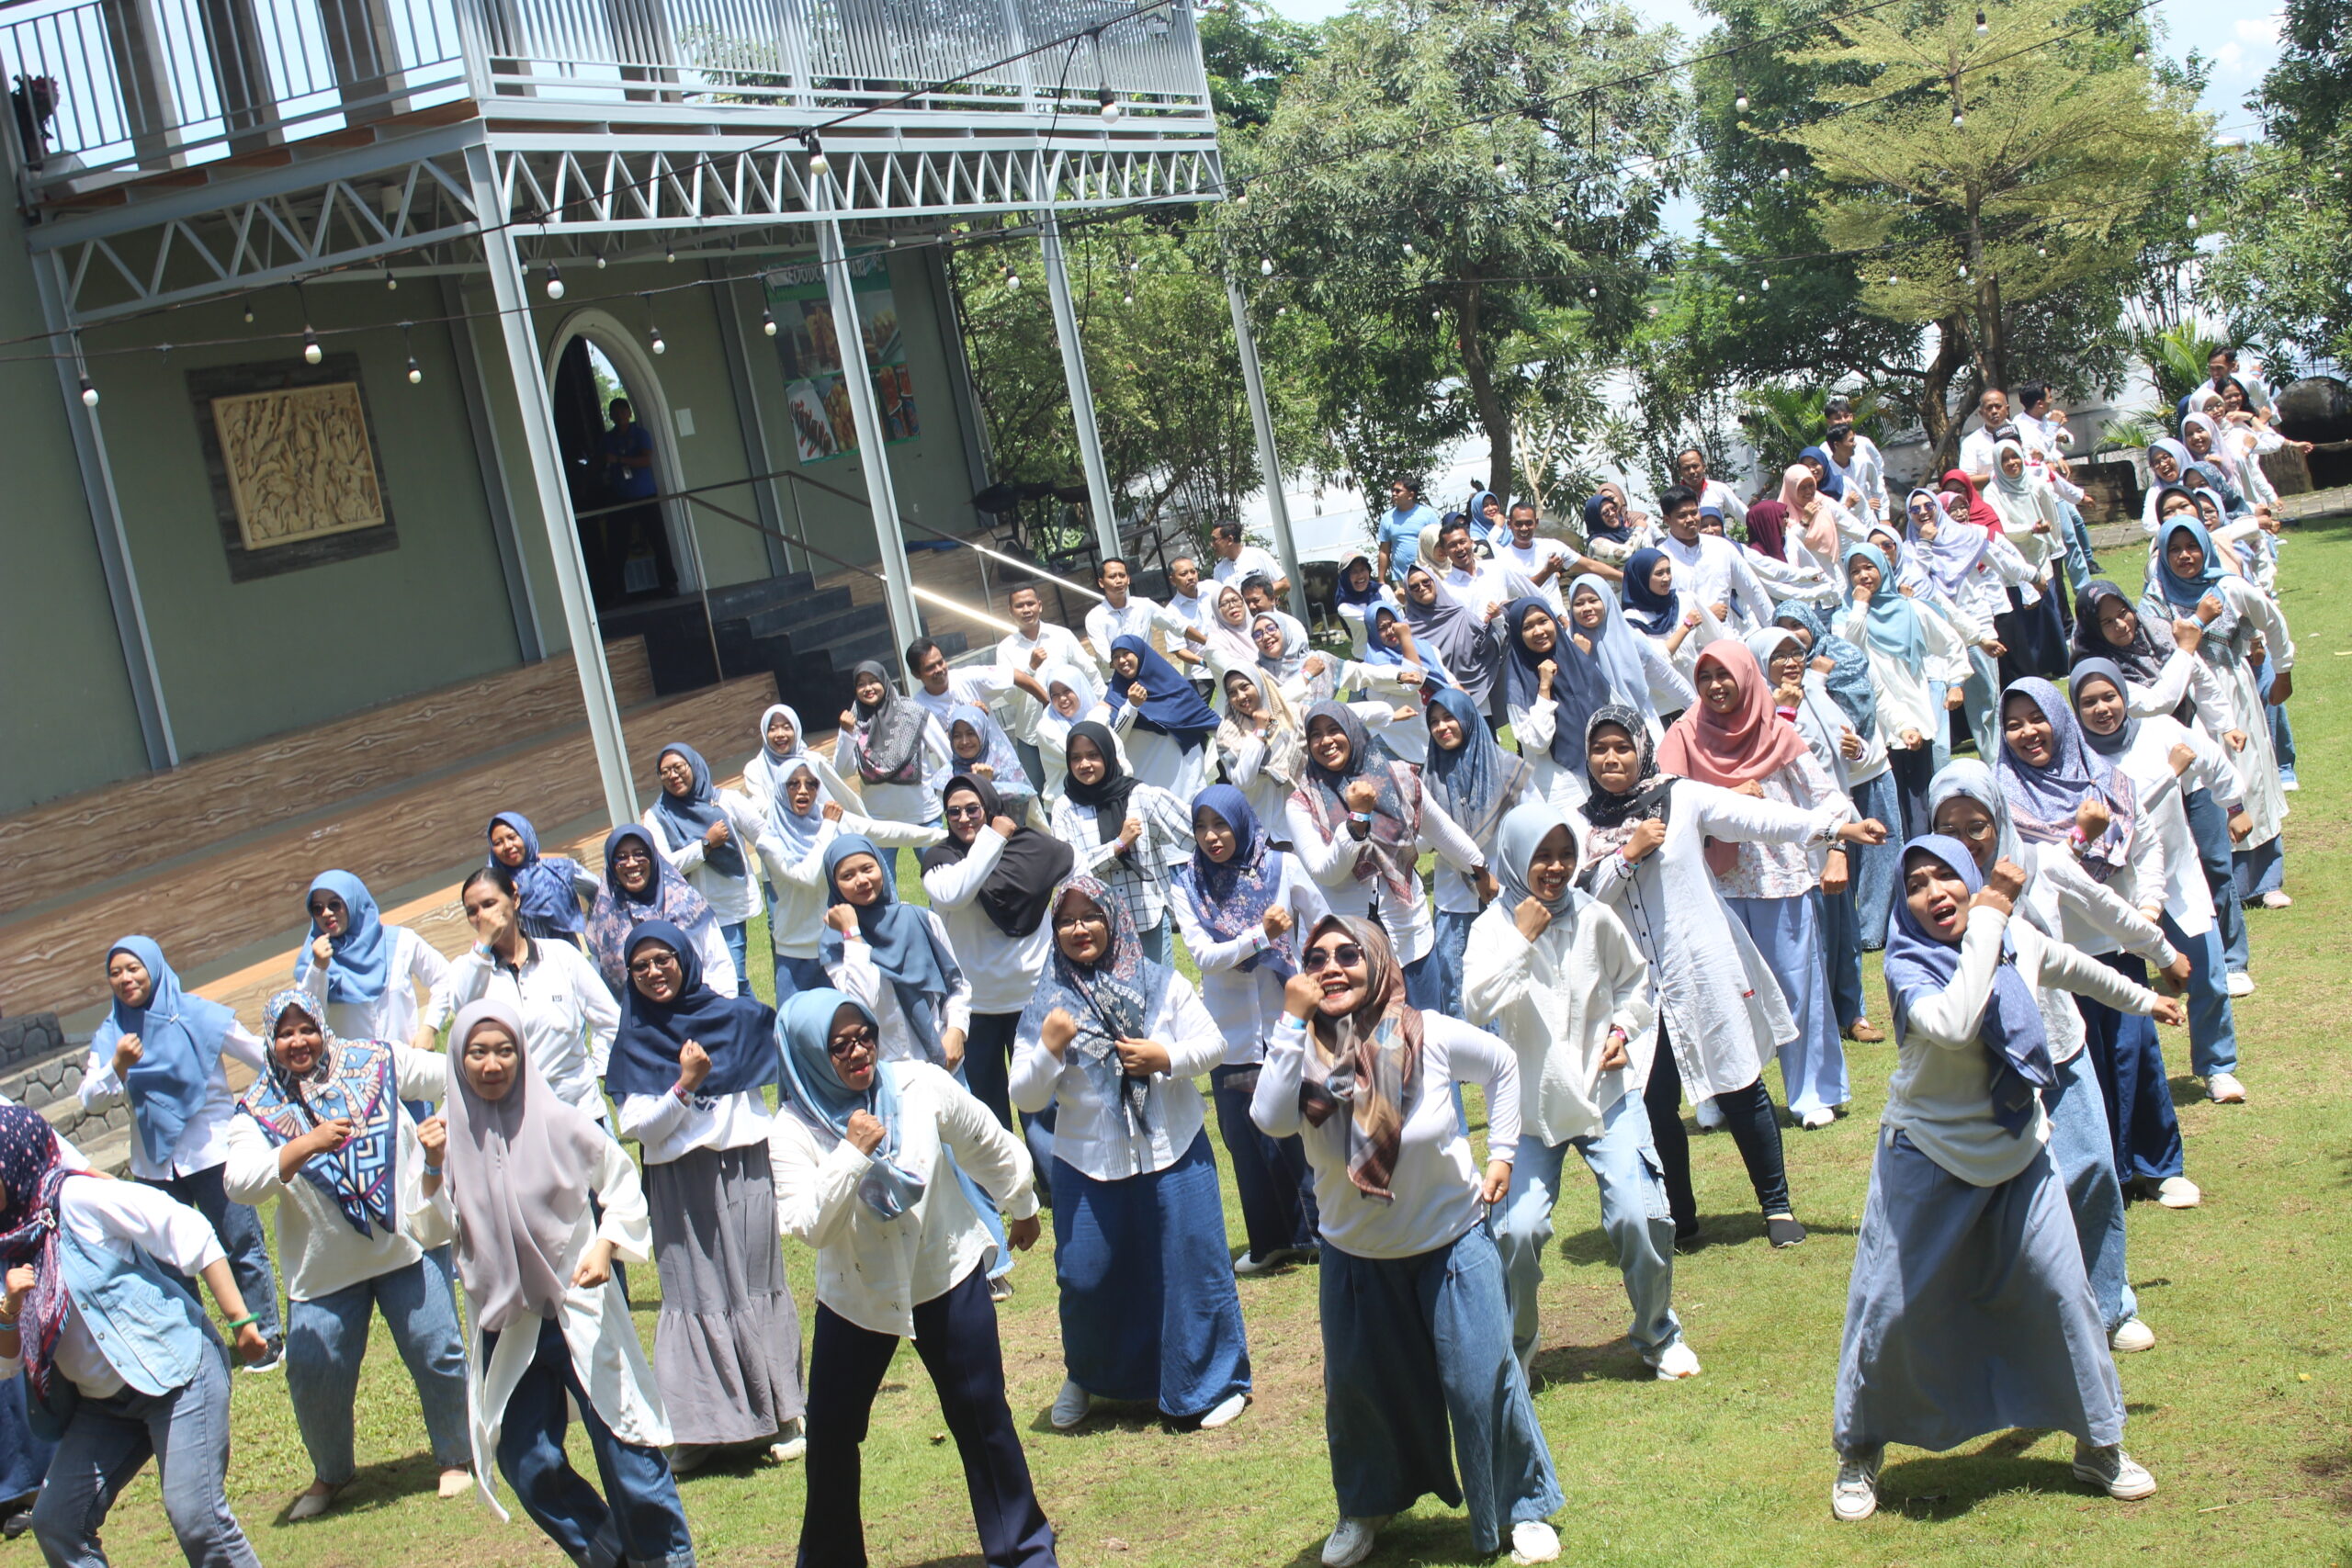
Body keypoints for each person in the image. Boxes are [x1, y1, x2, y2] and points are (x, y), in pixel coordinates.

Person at [1830, 836, 2157, 1524]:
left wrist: (2147, 998)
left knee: (2065, 1293)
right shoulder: (1908, 966)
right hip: (1926, 1152)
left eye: (1946, 876)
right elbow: (1956, 1023)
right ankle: (1858, 1448)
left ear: (1970, 877)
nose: (1934, 892)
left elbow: (2075, 968)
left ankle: (2099, 1443)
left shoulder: (2011, 940)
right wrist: (1989, 914)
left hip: (2019, 1152)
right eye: (1916, 884)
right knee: (1892, 1307)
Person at [1251, 917, 1562, 1568]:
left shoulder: (1431, 1032)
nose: (1332, 967)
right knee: (1360, 1395)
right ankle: (1366, 1508)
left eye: (1348, 954)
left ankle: (1522, 1505)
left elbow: (1503, 1065)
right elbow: (1271, 1119)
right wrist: (1290, 1021)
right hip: (1355, 1257)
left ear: (1379, 963)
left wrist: (1503, 1152)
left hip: (1451, 1242)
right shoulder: (1299, 1050)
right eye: (1316, 958)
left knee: (1481, 1381)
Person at [772, 990, 1057, 1568]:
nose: (859, 1053)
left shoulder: (917, 1084)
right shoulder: (791, 1131)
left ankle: (1024, 1552)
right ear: (808, 1055)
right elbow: (811, 1227)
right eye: (839, 1046)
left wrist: (1021, 1202)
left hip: (945, 1271)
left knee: (983, 1416)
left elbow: (983, 1137)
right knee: (831, 1435)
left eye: (865, 1036)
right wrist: (852, 1154)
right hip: (857, 1295)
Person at [1578, 707, 1877, 1246]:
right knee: (1654, 1100)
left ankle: (1777, 1207)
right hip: (1634, 989)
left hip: (1700, 969)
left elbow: (1757, 818)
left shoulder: (1681, 797)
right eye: (1600, 749)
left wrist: (1835, 828)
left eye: (1622, 746)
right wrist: (1628, 853)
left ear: (1641, 749)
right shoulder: (1582, 825)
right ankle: (1680, 1216)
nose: (1611, 759)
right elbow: (1586, 899)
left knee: (1740, 1084)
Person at [412, 1000, 694, 1567]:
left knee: (625, 1449)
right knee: (528, 1461)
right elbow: (431, 1230)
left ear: (522, 1054)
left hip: (576, 1306)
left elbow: (622, 1184)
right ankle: (615, 1558)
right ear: (458, 1058)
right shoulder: (446, 1135)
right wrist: (434, 1166)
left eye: (504, 1050)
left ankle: (667, 1560)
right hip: (506, 1321)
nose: (492, 1065)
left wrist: (605, 1245)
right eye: (477, 1052)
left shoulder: (560, 1121)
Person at [1926, 762, 2183, 1352]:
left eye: (1976, 826)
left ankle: (2109, 1306)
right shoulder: (1928, 892)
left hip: (2059, 1047)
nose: (1965, 841)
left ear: (1999, 820)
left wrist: (2162, 958)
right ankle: (2014, 1318)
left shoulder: (2040, 864)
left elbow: (2100, 916)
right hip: (1981, 1070)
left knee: (2089, 1170)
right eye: (1948, 829)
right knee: (2000, 1197)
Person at [1010, 878, 1252, 1433]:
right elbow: (1026, 1096)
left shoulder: (1161, 984)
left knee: (1192, 1267)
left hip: (1172, 1148)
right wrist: (1049, 1049)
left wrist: (1166, 1057)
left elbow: (1214, 1045)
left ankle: (1216, 1381)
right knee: (1086, 1277)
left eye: (1090, 916)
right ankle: (1089, 1375)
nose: (1079, 929)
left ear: (1114, 918)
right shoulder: (1046, 1001)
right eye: (1066, 920)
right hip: (1087, 1160)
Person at [1464, 803, 1695, 1382]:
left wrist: (1621, 1031)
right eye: (1541, 856)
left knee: (1642, 1216)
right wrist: (1522, 939)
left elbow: (1636, 983)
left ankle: (1657, 1332)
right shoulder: (1492, 928)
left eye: (1566, 855)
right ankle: (1518, 1345)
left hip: (1604, 1095)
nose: (1556, 867)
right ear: (1515, 857)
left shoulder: (1594, 916)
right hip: (1528, 1108)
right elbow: (1475, 1005)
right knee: (1516, 1232)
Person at [223, 988, 470, 1517]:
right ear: (270, 1041)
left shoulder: (376, 1061)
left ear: (323, 1027)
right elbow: (239, 1183)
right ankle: (331, 1474)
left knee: (437, 1350)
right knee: (313, 1372)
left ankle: (456, 1456)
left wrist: (442, 1132)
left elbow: (457, 1073)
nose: (298, 1042)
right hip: (324, 1270)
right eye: (285, 1033)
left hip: (405, 1245)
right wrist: (303, 1145)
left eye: (306, 1028)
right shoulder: (258, 1108)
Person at [0, 1104, 273, 1568]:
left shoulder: (77, 1199)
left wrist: (240, 1321)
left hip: (178, 1375)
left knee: (198, 1519)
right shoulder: (9, 1243)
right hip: (104, 1405)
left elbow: (184, 1228)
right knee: (57, 1522)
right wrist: (9, 1310)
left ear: (14, 1159)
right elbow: (8, 1365)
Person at [606, 921, 805, 1472]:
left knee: (758, 1284)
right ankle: (701, 1430)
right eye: (640, 966)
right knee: (694, 1294)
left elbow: (795, 1050)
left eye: (662, 959)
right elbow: (639, 1127)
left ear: (684, 959)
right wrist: (685, 1084)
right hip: (679, 1181)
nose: (653, 973)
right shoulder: (634, 1039)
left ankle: (786, 1414)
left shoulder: (734, 1018)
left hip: (743, 1166)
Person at [1660, 642, 1868, 1129]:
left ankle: (1811, 1092)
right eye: (1705, 676)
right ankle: (1719, 1095)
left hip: (1781, 879)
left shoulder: (1777, 731)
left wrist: (1836, 849)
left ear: (1747, 676)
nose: (1715, 686)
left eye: (1724, 675)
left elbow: (1828, 796)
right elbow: (1663, 805)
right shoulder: (1684, 734)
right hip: (1713, 886)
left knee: (1797, 986)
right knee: (1718, 992)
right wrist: (1726, 795)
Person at [76, 937, 283, 1371]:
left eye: (133, 968)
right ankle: (199, 1347)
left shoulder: (197, 1014)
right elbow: (90, 1101)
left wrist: (256, 1109)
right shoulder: (112, 1034)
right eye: (115, 973)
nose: (125, 979)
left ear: (153, 967)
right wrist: (117, 1065)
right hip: (154, 1163)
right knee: (169, 1260)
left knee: (241, 1243)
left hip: (212, 1151)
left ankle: (265, 1337)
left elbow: (263, 1056)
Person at [2066, 660, 2247, 1141]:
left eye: (2109, 696)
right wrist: (2170, 775)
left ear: (2125, 696)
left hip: (2177, 876)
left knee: (2208, 971)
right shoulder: (2075, 757)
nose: (2102, 709)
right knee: (2118, 992)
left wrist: (2234, 806)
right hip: (2114, 893)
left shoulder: (2160, 730)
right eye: (2088, 702)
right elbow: (2115, 818)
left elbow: (2211, 759)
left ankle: (2217, 1065)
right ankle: (2128, 1087)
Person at [1168, 784, 1331, 1274]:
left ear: (1241, 821)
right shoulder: (1188, 884)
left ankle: (1324, 1232)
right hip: (1231, 1032)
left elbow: (1324, 925)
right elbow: (1204, 957)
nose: (1212, 837)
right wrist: (1263, 936)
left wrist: (1316, 977)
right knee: (1244, 1137)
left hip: (1288, 1023)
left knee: (1304, 1129)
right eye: (1201, 827)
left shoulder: (1282, 867)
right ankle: (1271, 1241)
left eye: (1221, 824)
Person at [1285, 703, 1487, 1011]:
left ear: (1353, 730)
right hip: (1348, 952)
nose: (1326, 741)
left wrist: (1480, 870)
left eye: (1334, 730)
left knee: (1424, 1028)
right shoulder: (1302, 802)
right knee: (1363, 1038)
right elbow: (1327, 872)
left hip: (1409, 935)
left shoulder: (1398, 778)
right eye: (1316, 735)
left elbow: (1443, 832)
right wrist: (1357, 820)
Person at [2143, 516, 2294, 924]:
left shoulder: (2228, 587)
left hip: (2232, 690)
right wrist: (2198, 621)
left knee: (2249, 777)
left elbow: (2272, 620)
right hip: (2184, 697)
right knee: (2201, 786)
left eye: (2192, 546)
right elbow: (2156, 643)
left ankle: (2264, 879)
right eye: (2175, 549)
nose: (2185, 556)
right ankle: (2215, 882)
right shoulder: (2155, 596)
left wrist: (2283, 671)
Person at [1748, 625, 1890, 1043]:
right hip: (1800, 833)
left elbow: (1850, 745)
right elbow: (1768, 763)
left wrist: (1856, 749)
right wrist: (1784, 712)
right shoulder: (1759, 709)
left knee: (1845, 925)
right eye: (1779, 656)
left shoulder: (1816, 693)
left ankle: (1854, 1012)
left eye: (1796, 653)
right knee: (1817, 931)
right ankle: (1822, 1018)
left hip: (1840, 820)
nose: (1791, 662)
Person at [922, 776, 1073, 1154]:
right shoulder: (940, 861)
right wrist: (992, 838)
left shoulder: (1029, 848)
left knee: (1042, 1105)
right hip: (976, 1007)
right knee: (987, 1111)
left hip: (1032, 998)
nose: (964, 818)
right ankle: (1004, 1180)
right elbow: (956, 894)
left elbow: (1074, 867)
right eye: (954, 812)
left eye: (973, 809)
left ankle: (1056, 1178)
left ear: (990, 807)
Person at [421, 865, 621, 1127]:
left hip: (579, 1113)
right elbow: (464, 1007)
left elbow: (610, 1020)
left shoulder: (560, 956)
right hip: (515, 1121)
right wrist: (484, 945)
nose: (483, 916)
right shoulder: (466, 969)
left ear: (514, 899)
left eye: (489, 904)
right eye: (473, 911)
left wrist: (605, 1068)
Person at [1048, 721, 1195, 968]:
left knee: (1159, 990)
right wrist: (1117, 846)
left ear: (1108, 755)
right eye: (1076, 758)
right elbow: (1068, 875)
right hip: (1095, 928)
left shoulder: (1140, 795)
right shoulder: (1065, 808)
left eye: (1093, 755)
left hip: (1146, 918)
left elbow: (1195, 829)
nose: (1084, 764)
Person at [1419, 684, 1528, 1013]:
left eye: (1449, 717)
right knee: (1458, 989)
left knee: (1508, 986)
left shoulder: (1507, 769)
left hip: (1505, 895)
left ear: (1467, 717)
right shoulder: (1429, 776)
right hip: (1455, 900)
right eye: (1434, 721)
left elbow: (1530, 828)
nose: (1441, 727)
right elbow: (1423, 841)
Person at [641, 740, 777, 988]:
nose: (673, 776)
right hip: (685, 914)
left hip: (728, 907)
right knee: (705, 984)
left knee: (734, 979)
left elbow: (765, 838)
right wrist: (704, 846)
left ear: (694, 765)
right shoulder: (657, 817)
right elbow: (664, 867)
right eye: (665, 772)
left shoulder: (727, 801)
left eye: (679, 767)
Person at [296, 869, 448, 1050]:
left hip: (405, 1061)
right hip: (351, 1066)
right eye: (317, 908)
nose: (326, 913)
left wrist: (429, 1028)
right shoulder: (315, 959)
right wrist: (319, 967)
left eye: (335, 904)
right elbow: (308, 1014)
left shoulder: (401, 942)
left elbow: (445, 978)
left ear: (354, 902)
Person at [586, 825, 739, 999]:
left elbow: (718, 963)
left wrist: (723, 1007)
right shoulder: (604, 918)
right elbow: (598, 988)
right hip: (637, 1015)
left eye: (639, 854)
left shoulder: (686, 901)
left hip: (696, 1008)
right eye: (621, 857)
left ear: (652, 856)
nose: (632, 863)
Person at [1501, 596, 1613, 811]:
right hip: (1561, 788)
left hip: (1605, 771)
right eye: (1527, 627)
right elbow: (1538, 742)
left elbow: (1611, 711)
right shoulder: (1517, 685)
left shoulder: (1578, 662)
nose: (1538, 631)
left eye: (1543, 621)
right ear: (1517, 634)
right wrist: (1544, 688)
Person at [839, 659, 954, 853]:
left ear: (884, 680)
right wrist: (846, 734)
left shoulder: (913, 713)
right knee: (880, 874)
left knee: (936, 870)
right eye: (861, 684)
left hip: (923, 815)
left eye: (873, 681)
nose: (868, 688)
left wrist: (945, 793)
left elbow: (948, 756)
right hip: (878, 820)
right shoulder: (853, 721)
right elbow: (843, 771)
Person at [1102, 634, 1220, 798]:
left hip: (1187, 773)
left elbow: (1207, 721)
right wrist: (1131, 706)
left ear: (1140, 654)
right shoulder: (1115, 696)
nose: (1121, 660)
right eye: (1116, 657)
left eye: (1126, 653)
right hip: (1149, 779)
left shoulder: (1173, 684)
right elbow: (1115, 739)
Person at [997, 586, 1092, 786]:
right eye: (1019, 606)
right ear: (1010, 611)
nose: (1026, 610)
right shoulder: (1006, 648)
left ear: (1040, 606)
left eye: (1030, 603)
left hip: (1072, 728)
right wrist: (1030, 668)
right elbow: (1009, 696)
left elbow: (1089, 672)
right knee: (1039, 792)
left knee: (1083, 783)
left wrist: (1101, 707)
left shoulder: (1062, 636)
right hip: (1030, 735)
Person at [1654, 487, 1774, 633]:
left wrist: (1777, 630)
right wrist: (1707, 615)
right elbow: (1659, 612)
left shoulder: (1722, 548)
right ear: (1667, 520)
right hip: (1686, 644)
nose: (1690, 519)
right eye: (1682, 515)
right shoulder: (1659, 559)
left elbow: (1753, 591)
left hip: (1727, 639)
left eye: (1694, 512)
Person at [1401, 562, 1503, 724]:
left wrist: (1497, 619)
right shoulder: (1406, 630)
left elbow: (1489, 644)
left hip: (1477, 701)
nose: (1421, 588)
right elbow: (1404, 672)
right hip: (1438, 710)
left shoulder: (1461, 616)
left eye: (1426, 582)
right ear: (1409, 593)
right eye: (1414, 587)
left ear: (1435, 582)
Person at [1216, 665, 1309, 836]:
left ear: (1258, 684)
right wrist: (1259, 733)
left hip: (1297, 822)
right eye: (1232, 693)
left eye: (1245, 687)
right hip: (1257, 827)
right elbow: (1242, 781)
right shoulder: (1227, 733)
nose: (1240, 696)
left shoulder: (1289, 717)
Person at [1082, 558, 1205, 675]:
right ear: (1101, 582)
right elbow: (1106, 657)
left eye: (1122, 575)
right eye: (1112, 576)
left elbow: (1179, 627)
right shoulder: (1094, 618)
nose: (1119, 580)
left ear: (1128, 579)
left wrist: (1208, 642)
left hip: (1147, 676)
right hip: (1115, 680)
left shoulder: (1144, 606)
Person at [486, 812, 594, 945]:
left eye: (512, 837)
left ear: (526, 836)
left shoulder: (558, 870)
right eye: (498, 843)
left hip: (566, 955)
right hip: (525, 957)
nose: (507, 846)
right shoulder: (493, 885)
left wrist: (595, 928)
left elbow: (600, 891)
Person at [945, 702, 1040, 818]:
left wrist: (988, 785)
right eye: (957, 736)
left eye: (971, 733)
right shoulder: (946, 775)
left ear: (982, 733)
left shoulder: (1005, 762)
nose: (964, 741)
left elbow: (1028, 794)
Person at [1033, 662, 1110, 803]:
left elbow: (1115, 749)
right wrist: (1099, 716)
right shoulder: (1046, 727)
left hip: (1100, 799)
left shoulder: (1092, 713)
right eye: (1055, 695)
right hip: (1064, 805)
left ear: (1079, 688)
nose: (1062, 699)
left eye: (1067, 691)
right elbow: (1074, 753)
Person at [1377, 479, 1438, 585]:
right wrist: (1381, 581)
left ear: (1410, 495)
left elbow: (1438, 544)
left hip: (1428, 576)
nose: (1393, 494)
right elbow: (1384, 551)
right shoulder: (1387, 518)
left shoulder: (1428, 515)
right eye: (1393, 490)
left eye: (1398, 491)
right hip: (1401, 578)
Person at [1673, 446, 1747, 533]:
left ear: (1704, 467)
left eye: (1695, 466)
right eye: (1686, 468)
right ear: (1680, 472)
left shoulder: (1719, 489)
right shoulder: (1674, 497)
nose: (1692, 471)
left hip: (1717, 540)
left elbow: (1744, 515)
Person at [1210, 521, 1289, 601]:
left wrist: (1256, 595)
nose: (1211, 544)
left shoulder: (1258, 555)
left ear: (1230, 540)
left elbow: (1284, 584)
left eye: (1214, 540)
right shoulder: (1218, 570)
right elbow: (1219, 600)